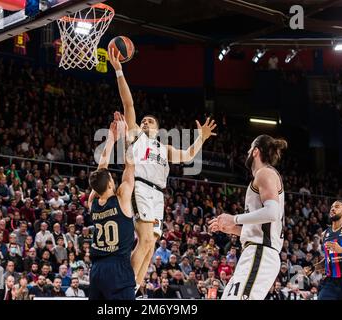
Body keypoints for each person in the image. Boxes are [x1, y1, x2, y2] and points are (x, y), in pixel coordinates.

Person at [109, 49, 217, 291]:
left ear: (157, 129)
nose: (145, 122)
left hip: (158, 195)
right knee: (145, 239)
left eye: (150, 121)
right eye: (143, 120)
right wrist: (119, 70)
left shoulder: (164, 148)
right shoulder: (136, 137)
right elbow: (129, 102)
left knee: (150, 247)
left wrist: (202, 138)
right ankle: (123, 289)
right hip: (140, 188)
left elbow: (189, 155)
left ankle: (134, 290)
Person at [210, 135, 287, 300]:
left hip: (260, 253)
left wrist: (234, 219)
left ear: (256, 151)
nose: (247, 152)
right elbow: (261, 228)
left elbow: (272, 213)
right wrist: (233, 229)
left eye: (249, 149)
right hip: (255, 252)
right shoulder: (264, 176)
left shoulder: (265, 173)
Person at [87, 113, 136, 300]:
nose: (114, 179)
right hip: (118, 269)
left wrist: (110, 139)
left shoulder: (92, 201)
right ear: (109, 184)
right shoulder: (122, 197)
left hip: (97, 270)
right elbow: (130, 166)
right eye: (111, 179)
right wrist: (124, 136)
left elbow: (100, 171)